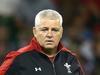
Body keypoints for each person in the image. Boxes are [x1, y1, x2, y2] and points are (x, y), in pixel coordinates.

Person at [0, 9, 85, 75]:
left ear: (61, 32)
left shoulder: (71, 59)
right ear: (35, 31)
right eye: (44, 29)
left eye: (55, 30)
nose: (49, 34)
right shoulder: (18, 58)